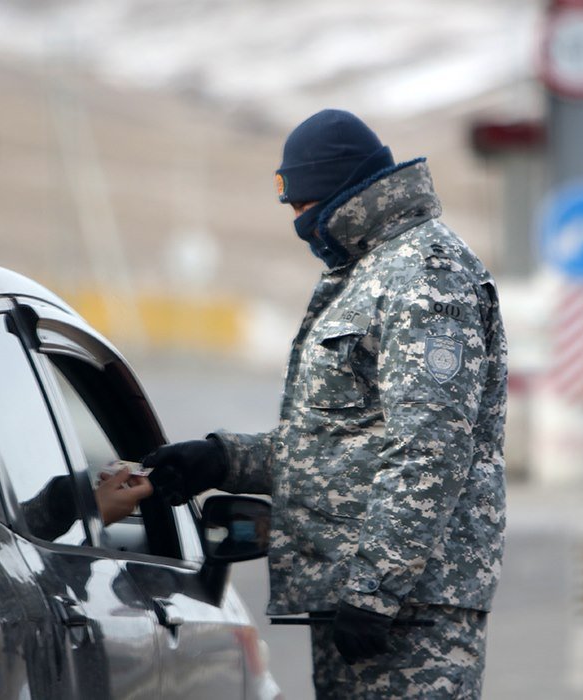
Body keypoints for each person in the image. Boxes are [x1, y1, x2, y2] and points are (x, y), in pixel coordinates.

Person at [143, 109, 507, 698]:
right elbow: (344, 446)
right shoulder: (368, 271)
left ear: (338, 191)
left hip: (409, 609)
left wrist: (375, 588)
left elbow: (431, 449)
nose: (297, 222)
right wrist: (222, 460)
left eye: (299, 205)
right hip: (366, 596)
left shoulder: (422, 275)